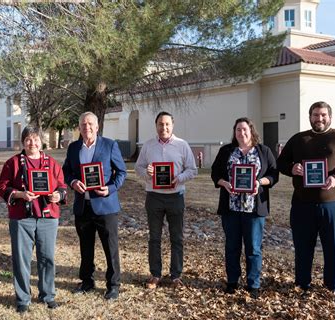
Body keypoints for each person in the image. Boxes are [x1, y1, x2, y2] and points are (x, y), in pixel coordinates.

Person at [277, 101, 335, 293]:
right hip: (302, 204)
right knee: (302, 248)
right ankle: (302, 285)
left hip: (333, 204)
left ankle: (332, 287)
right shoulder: (299, 139)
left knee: (333, 249)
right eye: (315, 115)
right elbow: (281, 162)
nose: (319, 118)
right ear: (310, 117)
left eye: (323, 115)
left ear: (330, 117)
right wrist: (292, 168)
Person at [0, 126, 67, 313]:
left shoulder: (51, 163)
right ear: (23, 142)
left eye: (36, 139)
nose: (32, 143)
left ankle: (47, 295)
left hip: (47, 217)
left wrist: (58, 196)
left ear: (41, 141)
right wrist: (20, 194)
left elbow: (62, 185)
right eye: (28, 139)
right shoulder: (12, 163)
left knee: (47, 258)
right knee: (21, 259)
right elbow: (2, 188)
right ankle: (23, 298)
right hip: (22, 218)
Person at [211, 118, 278, 299]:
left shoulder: (263, 151)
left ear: (251, 131)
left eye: (245, 129)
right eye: (238, 129)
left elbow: (274, 175)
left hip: (254, 210)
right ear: (235, 132)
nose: (242, 133)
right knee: (232, 246)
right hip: (231, 209)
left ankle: (253, 284)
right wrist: (224, 182)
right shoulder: (226, 151)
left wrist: (259, 182)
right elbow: (215, 173)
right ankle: (232, 281)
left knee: (253, 248)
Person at [62, 112, 127, 300]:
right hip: (83, 206)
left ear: (97, 127)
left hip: (105, 206)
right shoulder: (74, 148)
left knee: (111, 247)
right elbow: (66, 171)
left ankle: (113, 285)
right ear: (79, 128)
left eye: (90, 124)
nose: (87, 127)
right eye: (83, 124)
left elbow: (121, 172)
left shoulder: (109, 145)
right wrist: (73, 182)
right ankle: (87, 281)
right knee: (86, 246)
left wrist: (111, 188)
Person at [135, 111, 197, 289]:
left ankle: (176, 275)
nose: (164, 127)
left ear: (172, 125)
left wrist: (179, 178)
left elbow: (192, 170)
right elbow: (138, 167)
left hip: (175, 197)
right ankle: (155, 274)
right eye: (161, 124)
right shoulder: (148, 146)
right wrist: (147, 174)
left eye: (167, 124)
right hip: (154, 197)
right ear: (156, 126)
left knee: (176, 238)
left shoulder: (182, 145)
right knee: (154, 238)